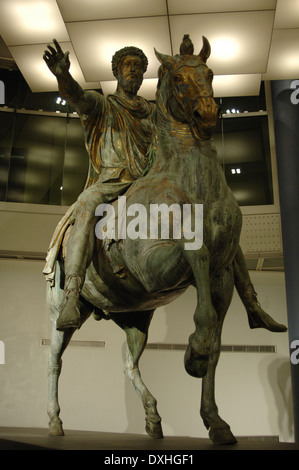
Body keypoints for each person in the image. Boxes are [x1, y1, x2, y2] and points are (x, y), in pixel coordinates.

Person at [43, 39, 155, 330]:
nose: (133, 70)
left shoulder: (154, 115)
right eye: (127, 65)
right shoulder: (101, 105)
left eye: (138, 67)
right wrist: (62, 75)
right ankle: (72, 291)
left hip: (149, 186)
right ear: (117, 72)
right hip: (111, 182)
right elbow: (76, 96)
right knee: (87, 206)